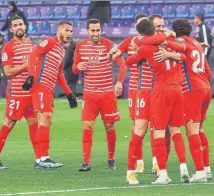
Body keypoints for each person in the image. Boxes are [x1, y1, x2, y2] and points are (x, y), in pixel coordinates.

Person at [125, 19, 188, 184]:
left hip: (159, 91)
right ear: (153, 27)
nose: (161, 28)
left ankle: (161, 170)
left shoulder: (150, 44)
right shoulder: (161, 40)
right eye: (158, 26)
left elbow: (129, 61)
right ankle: (131, 171)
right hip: (146, 92)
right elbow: (183, 52)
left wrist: (135, 54)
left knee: (159, 132)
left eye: (163, 25)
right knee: (141, 130)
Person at [72, 19, 127, 172]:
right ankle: (86, 162)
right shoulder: (80, 46)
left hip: (106, 94)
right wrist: (78, 67)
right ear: (87, 31)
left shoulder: (109, 45)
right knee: (87, 125)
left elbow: (122, 65)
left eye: (98, 30)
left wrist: (119, 82)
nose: (95, 33)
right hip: (89, 95)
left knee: (109, 127)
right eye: (92, 31)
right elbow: (74, 68)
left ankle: (111, 158)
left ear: (101, 30)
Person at [22, 20, 78, 168]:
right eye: (66, 30)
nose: (69, 34)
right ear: (59, 30)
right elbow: (32, 55)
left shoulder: (61, 50)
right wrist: (31, 76)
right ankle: (42, 159)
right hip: (40, 85)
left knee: (47, 120)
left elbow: (59, 73)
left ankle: (41, 159)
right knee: (44, 118)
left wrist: (69, 93)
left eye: (71, 32)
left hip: (48, 88)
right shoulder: (50, 41)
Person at [0, 16, 38, 169]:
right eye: (15, 25)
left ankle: (40, 159)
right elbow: (8, 72)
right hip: (17, 92)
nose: (19, 27)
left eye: (21, 24)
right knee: (9, 123)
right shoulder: (8, 47)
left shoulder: (31, 45)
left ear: (25, 27)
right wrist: (26, 64)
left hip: (31, 92)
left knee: (34, 124)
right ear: (11, 29)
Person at [169, 18, 212, 182]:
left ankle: (200, 172)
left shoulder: (181, 42)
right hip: (206, 87)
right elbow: (208, 73)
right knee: (200, 130)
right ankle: (206, 169)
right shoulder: (197, 44)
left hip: (192, 90)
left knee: (191, 131)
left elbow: (177, 46)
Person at [109, 13, 149, 175]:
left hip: (151, 87)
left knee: (154, 125)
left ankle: (156, 161)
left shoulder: (154, 42)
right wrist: (115, 53)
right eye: (139, 24)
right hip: (134, 88)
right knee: (135, 124)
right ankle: (138, 160)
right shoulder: (129, 41)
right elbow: (114, 54)